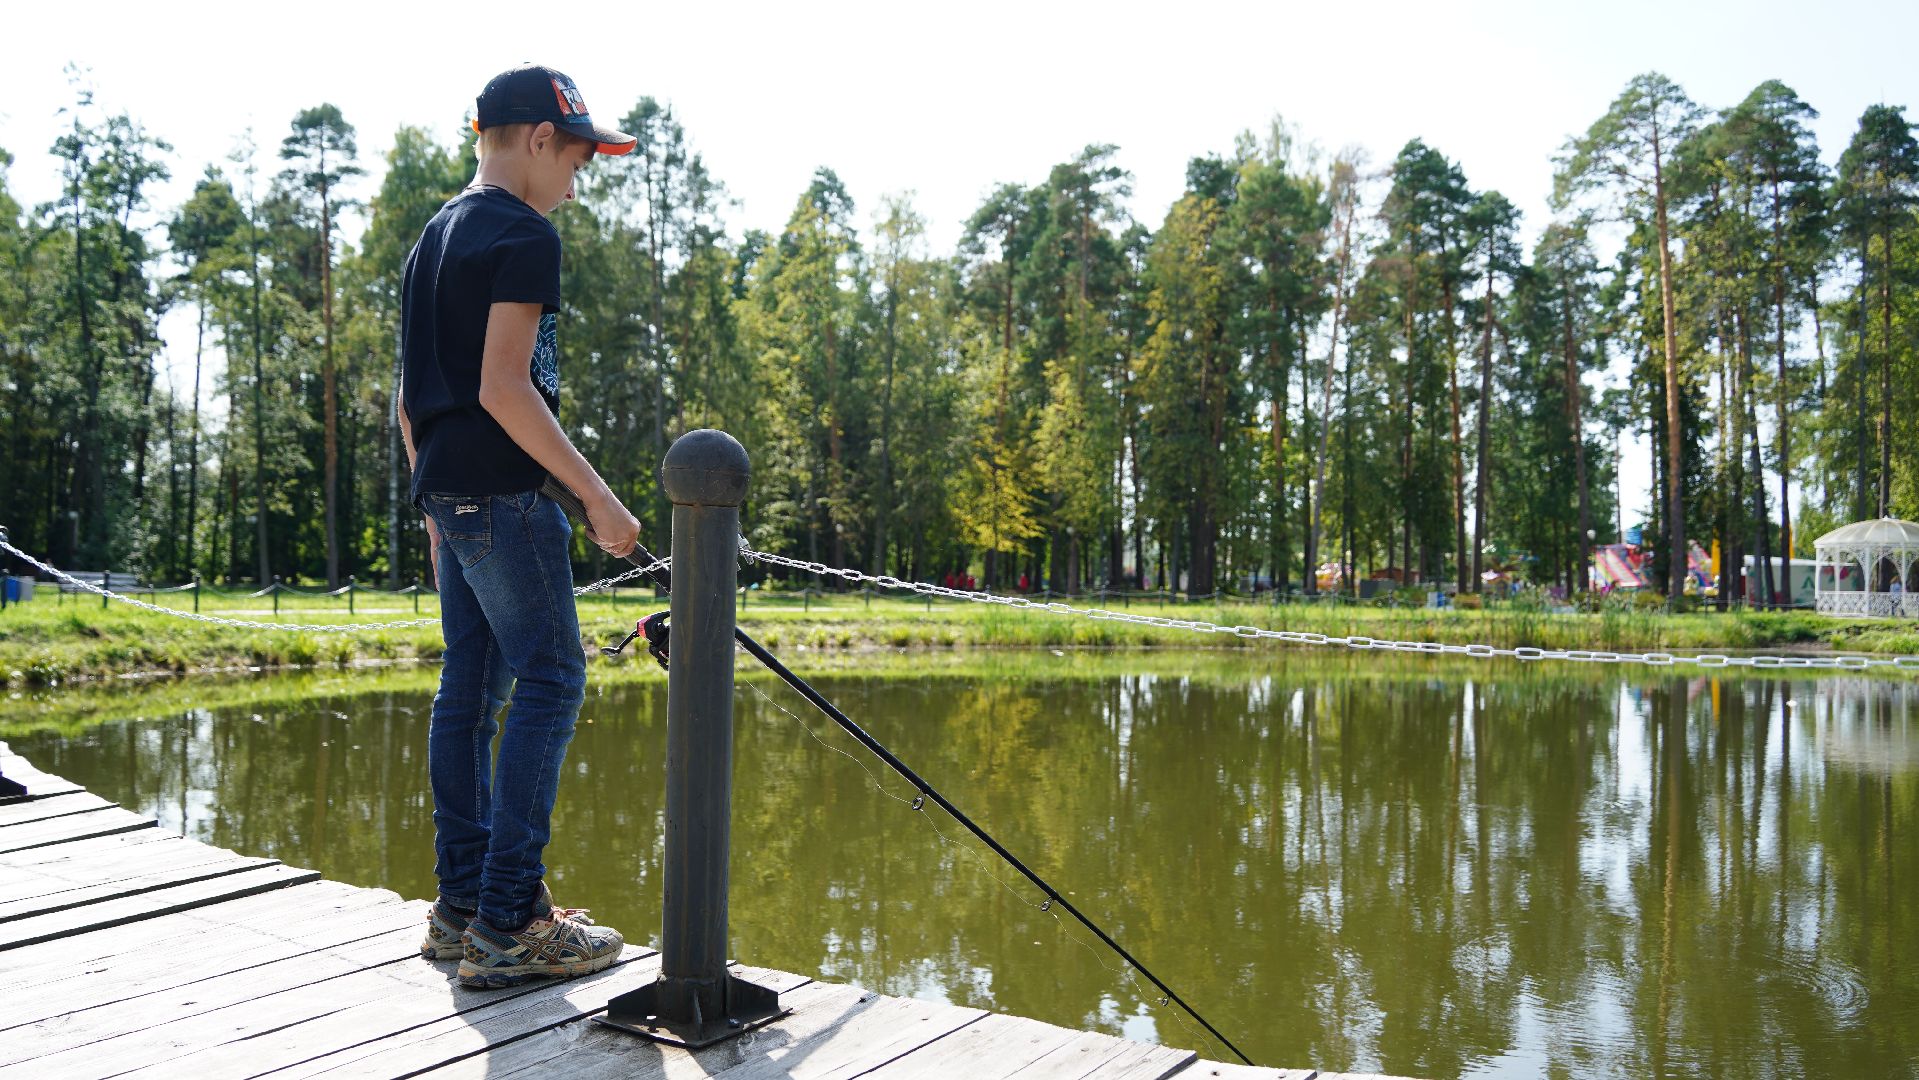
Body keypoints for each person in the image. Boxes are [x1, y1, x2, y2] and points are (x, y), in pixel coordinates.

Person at [398, 63, 639, 990]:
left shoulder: (435, 235)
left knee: (469, 689)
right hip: (506, 494)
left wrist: (430, 507)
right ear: (539, 138)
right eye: (578, 158)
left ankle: (460, 908)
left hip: (450, 494)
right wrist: (594, 494)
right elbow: (505, 385)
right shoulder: (522, 233)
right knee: (549, 679)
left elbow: (412, 395)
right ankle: (512, 922)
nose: (578, 182)